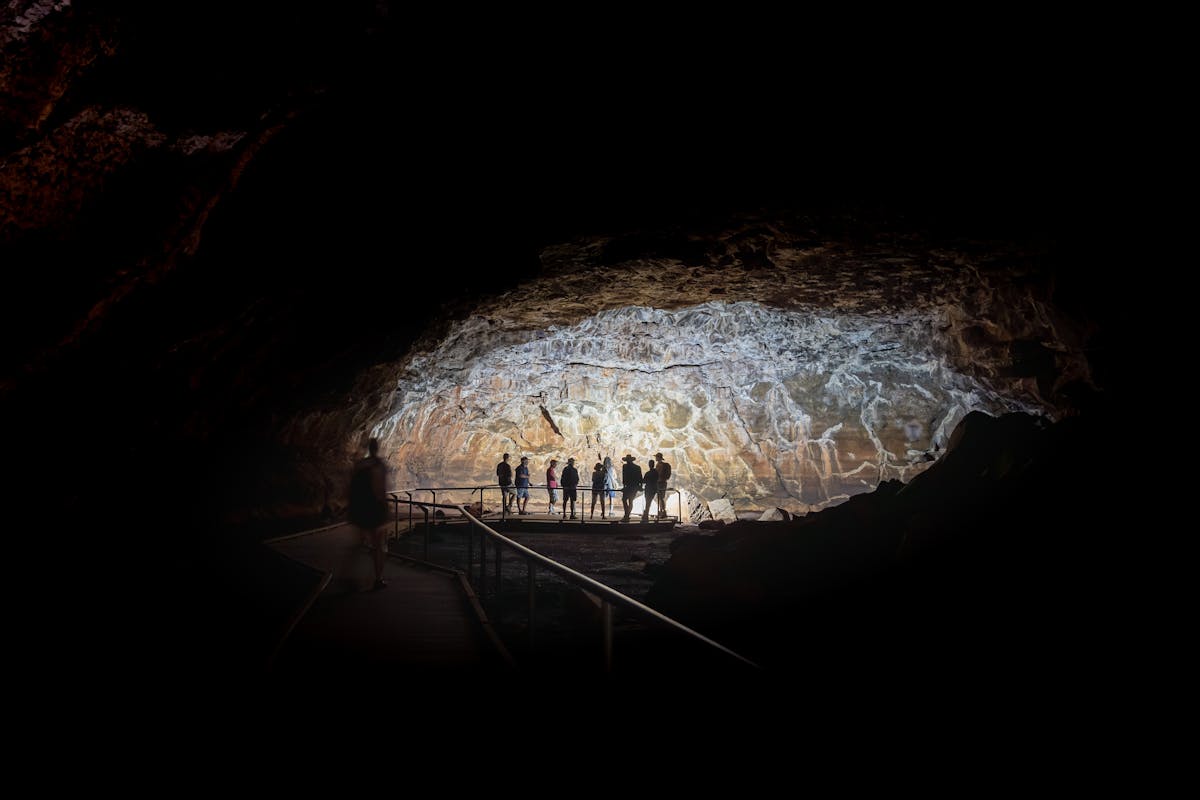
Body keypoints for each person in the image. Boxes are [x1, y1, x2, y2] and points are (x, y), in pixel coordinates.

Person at [347, 436, 389, 590]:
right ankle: (378, 579)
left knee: (360, 543)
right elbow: (380, 490)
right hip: (376, 510)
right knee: (379, 546)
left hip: (361, 510)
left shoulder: (360, 465)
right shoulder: (379, 465)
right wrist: (385, 510)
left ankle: (350, 575)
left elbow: (350, 487)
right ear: (376, 448)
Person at [620, 454, 642, 523]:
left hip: (628, 486)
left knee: (625, 500)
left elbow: (624, 477)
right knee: (630, 501)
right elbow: (640, 477)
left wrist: (624, 487)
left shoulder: (625, 466)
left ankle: (626, 515)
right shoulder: (637, 467)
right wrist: (640, 486)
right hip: (634, 486)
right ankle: (627, 515)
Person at [654, 451, 672, 519]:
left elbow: (657, 474)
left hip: (660, 482)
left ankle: (663, 512)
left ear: (659, 458)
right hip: (663, 482)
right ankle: (661, 511)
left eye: (656, 457)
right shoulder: (661, 465)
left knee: (660, 497)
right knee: (660, 497)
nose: (656, 458)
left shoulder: (659, 465)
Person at [641, 458, 659, 523]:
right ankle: (646, 514)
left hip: (648, 489)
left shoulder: (648, 473)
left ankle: (645, 515)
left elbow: (644, 481)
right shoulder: (656, 472)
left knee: (647, 502)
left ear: (649, 465)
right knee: (648, 502)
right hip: (653, 489)